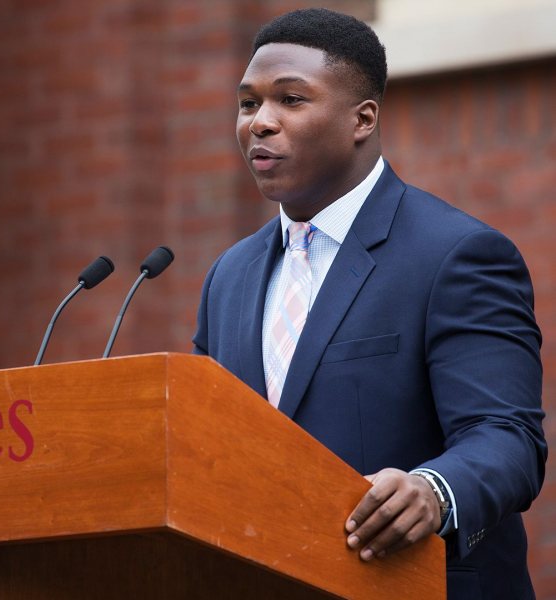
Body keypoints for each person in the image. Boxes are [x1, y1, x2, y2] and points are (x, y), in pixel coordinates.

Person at [192, 8, 547, 599]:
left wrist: (433, 490)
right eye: (249, 103)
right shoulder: (228, 278)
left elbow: (508, 438)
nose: (261, 122)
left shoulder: (454, 255)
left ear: (362, 119)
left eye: (291, 100)